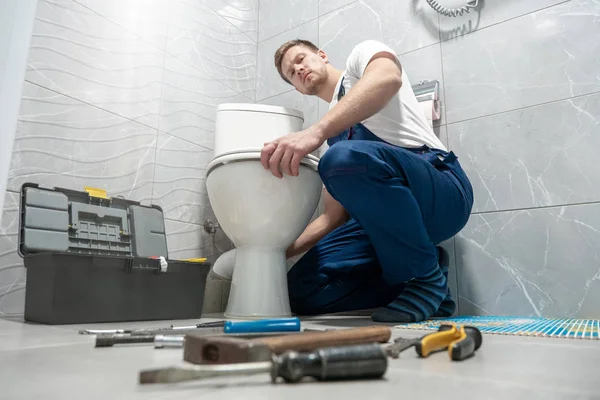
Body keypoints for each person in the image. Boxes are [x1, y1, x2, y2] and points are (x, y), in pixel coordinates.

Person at [260, 39, 474, 323]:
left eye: (301, 59)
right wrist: (274, 252)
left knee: (341, 160)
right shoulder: (333, 139)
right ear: (297, 88)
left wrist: (317, 131)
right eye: (291, 73)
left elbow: (388, 77)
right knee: (301, 291)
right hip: (383, 226)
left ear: (322, 55)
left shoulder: (360, 58)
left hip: (442, 193)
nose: (298, 69)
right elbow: (331, 218)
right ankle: (431, 281)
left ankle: (423, 278)